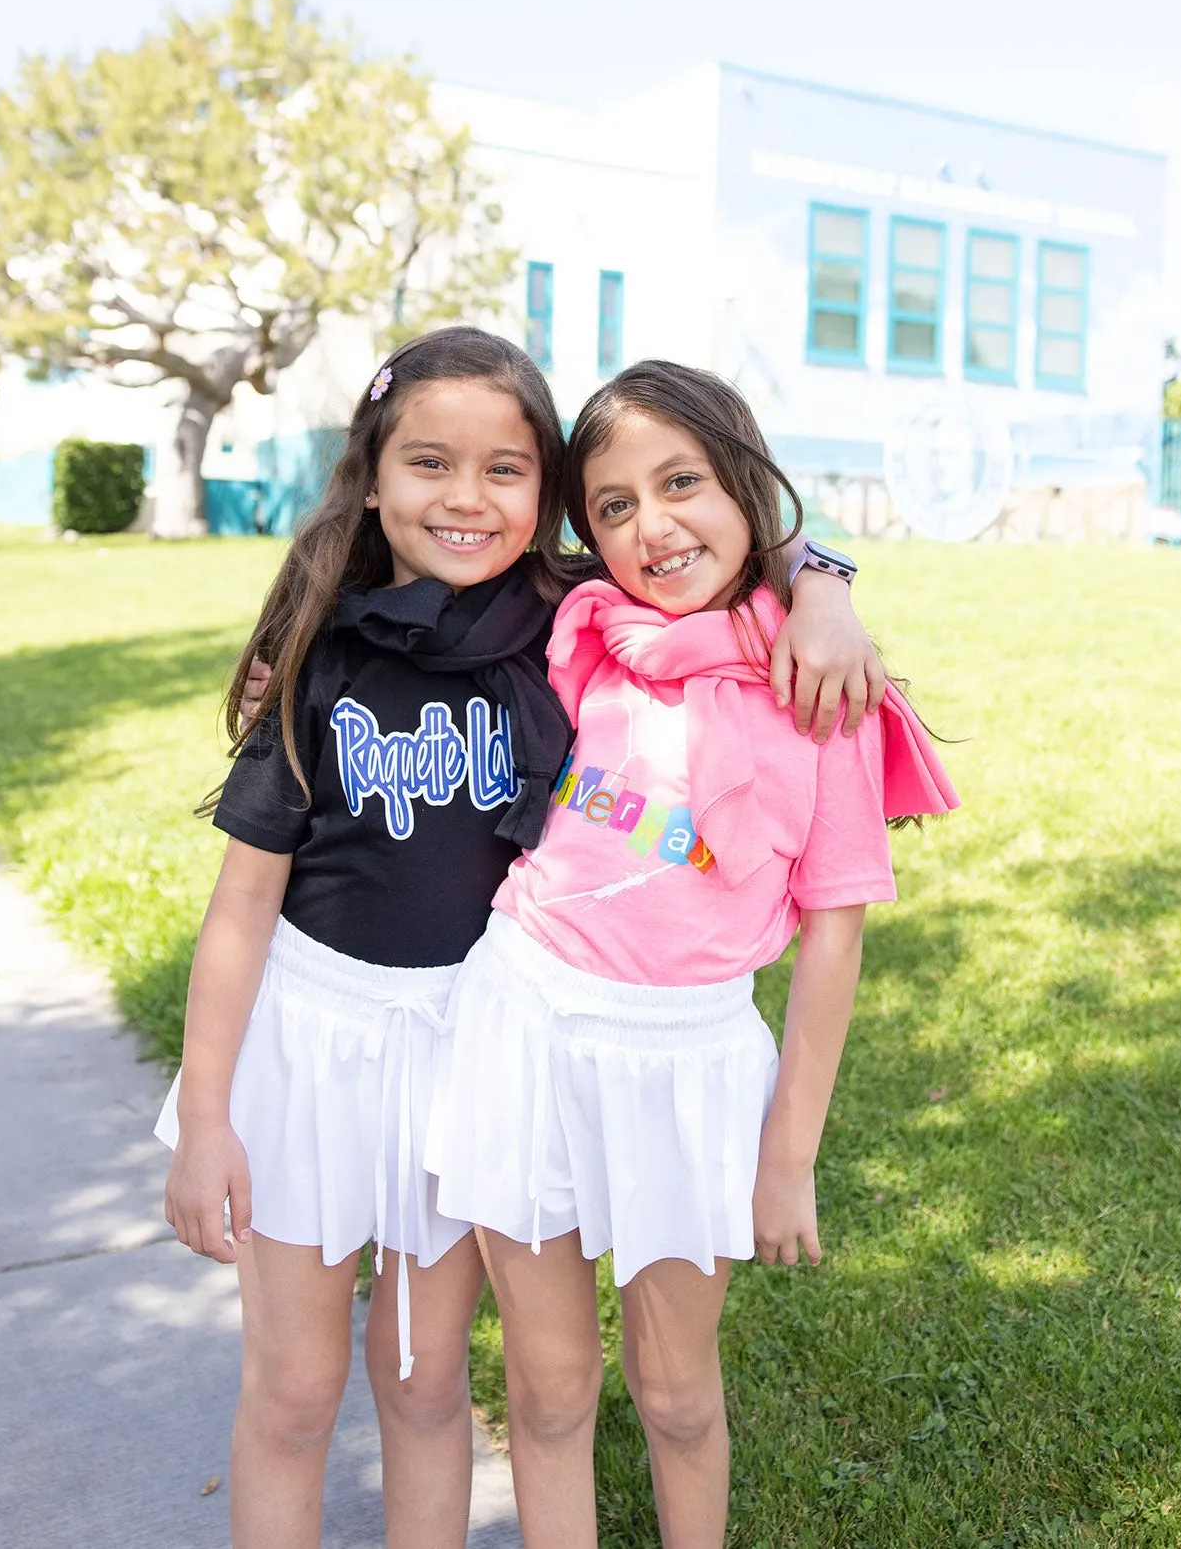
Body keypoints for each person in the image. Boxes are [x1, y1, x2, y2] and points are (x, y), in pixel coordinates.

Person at [157, 326, 883, 1549]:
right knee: (294, 1394)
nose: (465, 496)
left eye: (506, 472)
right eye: (429, 463)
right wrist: (207, 1112)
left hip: (477, 1044)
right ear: (372, 474)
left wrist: (826, 579)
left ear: (541, 501)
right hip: (327, 1048)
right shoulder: (342, 653)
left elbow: (715, 519)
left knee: (428, 1380)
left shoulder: (563, 614)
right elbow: (240, 907)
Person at [424, 359, 958, 1549]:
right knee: (549, 1389)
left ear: (745, 485)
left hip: (690, 1060)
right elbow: (425, 568)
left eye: (682, 484)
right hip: (523, 1020)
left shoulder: (820, 685)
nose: (651, 525)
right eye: (612, 505)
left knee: (675, 1393)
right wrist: (279, 664)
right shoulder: (577, 625)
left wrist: (790, 1153)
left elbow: (833, 937)